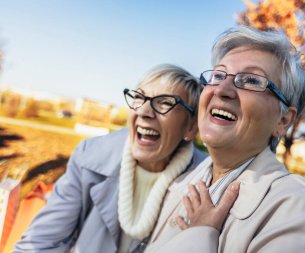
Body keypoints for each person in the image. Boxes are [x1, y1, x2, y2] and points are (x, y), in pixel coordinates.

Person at [144, 26, 305, 253]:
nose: (222, 89)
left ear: (283, 120)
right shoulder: (181, 181)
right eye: (218, 75)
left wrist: (199, 237)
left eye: (251, 81)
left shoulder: (300, 210)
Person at [13, 64, 207, 253]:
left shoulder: (207, 183)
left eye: (165, 102)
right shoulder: (90, 156)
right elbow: (43, 241)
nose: (144, 112)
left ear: (190, 127)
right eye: (139, 97)